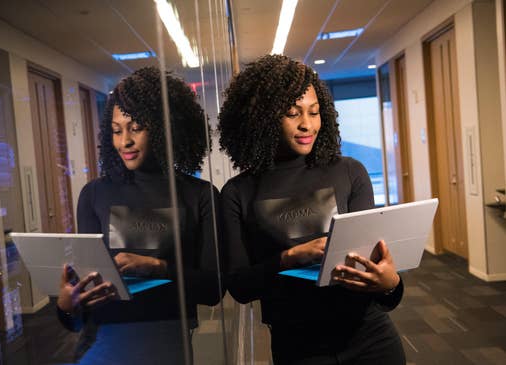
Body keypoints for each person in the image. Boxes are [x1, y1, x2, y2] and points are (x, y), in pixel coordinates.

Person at [218, 54, 405, 365]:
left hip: (370, 338)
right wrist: (289, 258)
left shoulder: (349, 172)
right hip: (298, 347)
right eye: (293, 113)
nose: (307, 124)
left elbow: (374, 265)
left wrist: (391, 285)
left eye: (315, 112)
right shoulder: (238, 192)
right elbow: (239, 286)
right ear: (262, 119)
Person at [56, 66, 223, 364]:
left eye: (136, 128)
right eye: (117, 131)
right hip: (102, 345)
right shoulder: (94, 194)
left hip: (168, 343)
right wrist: (67, 306)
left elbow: (212, 289)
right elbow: (83, 301)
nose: (125, 142)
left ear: (163, 128)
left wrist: (156, 266)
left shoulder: (199, 195)